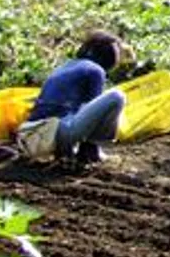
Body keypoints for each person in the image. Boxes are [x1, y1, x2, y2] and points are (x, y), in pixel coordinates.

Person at [24, 31, 128, 167]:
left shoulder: (68, 65)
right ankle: (91, 150)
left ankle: (75, 152)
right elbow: (92, 109)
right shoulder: (96, 71)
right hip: (57, 132)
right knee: (116, 97)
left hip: (36, 134)